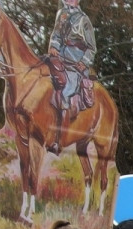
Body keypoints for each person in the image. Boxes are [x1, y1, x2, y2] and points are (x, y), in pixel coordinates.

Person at [46, 0, 96, 155]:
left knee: (66, 92)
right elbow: (56, 34)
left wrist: (83, 62)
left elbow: (92, 47)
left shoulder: (84, 19)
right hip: (60, 57)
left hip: (75, 63)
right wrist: (54, 47)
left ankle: (59, 142)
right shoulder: (61, 15)